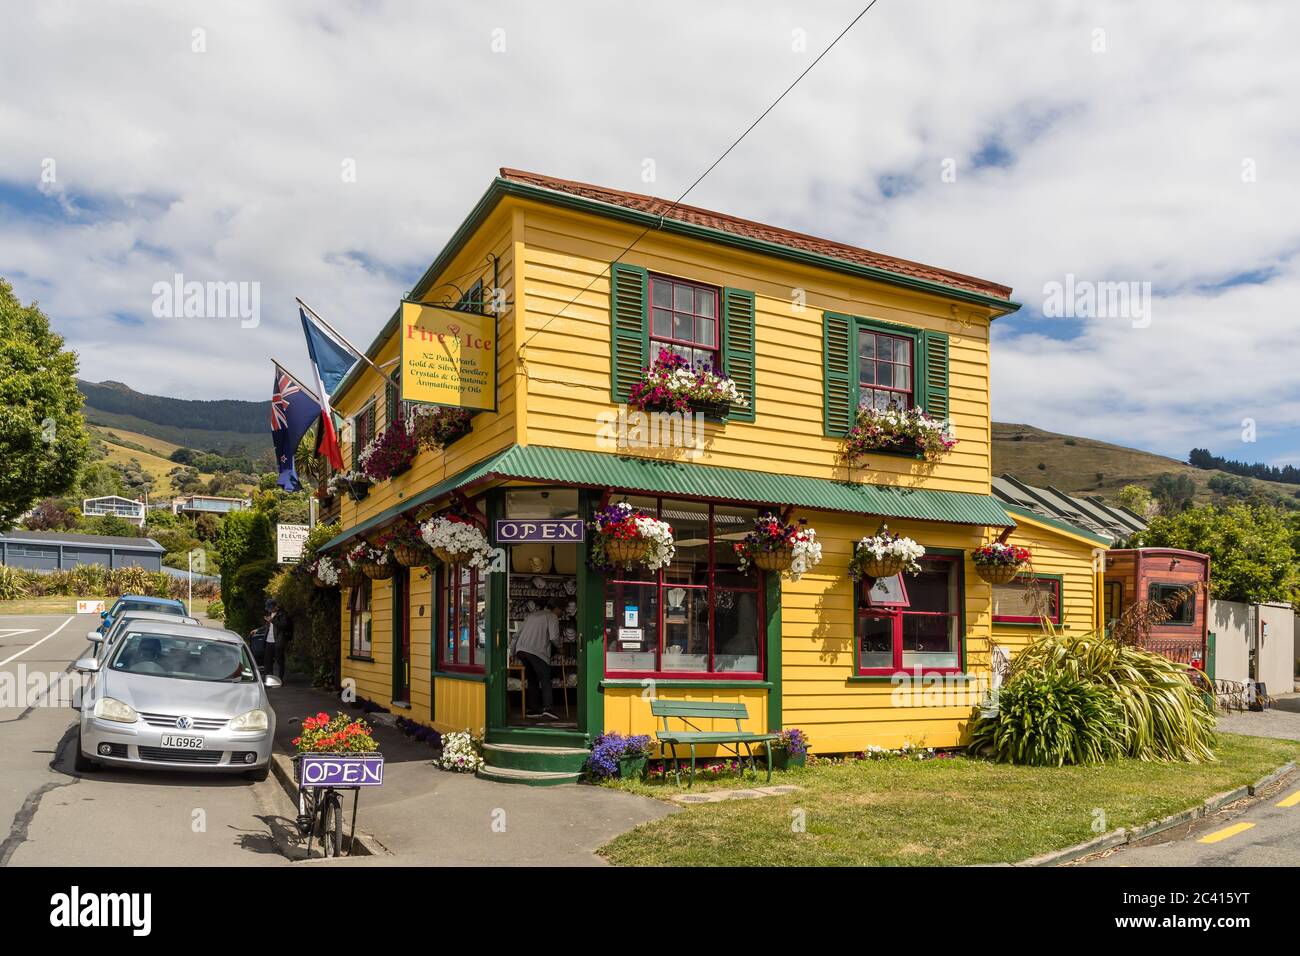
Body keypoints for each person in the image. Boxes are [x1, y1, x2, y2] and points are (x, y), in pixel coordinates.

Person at [514, 599, 560, 720]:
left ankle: (533, 709)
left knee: (532, 679)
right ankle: (548, 709)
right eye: (560, 610)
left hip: (521, 650)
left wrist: (512, 651)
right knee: (545, 678)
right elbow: (554, 636)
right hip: (537, 651)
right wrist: (560, 647)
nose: (560, 613)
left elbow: (517, 634)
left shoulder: (531, 615)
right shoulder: (552, 616)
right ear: (556, 609)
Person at [262, 598, 292, 681]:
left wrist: (272, 621)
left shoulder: (282, 614)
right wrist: (258, 630)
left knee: (279, 660)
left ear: (275, 606)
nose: (269, 610)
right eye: (268, 608)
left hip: (278, 640)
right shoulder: (270, 613)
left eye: (270, 608)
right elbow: (268, 627)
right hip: (269, 640)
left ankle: (280, 679)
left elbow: (284, 626)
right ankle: (269, 678)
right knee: (267, 661)